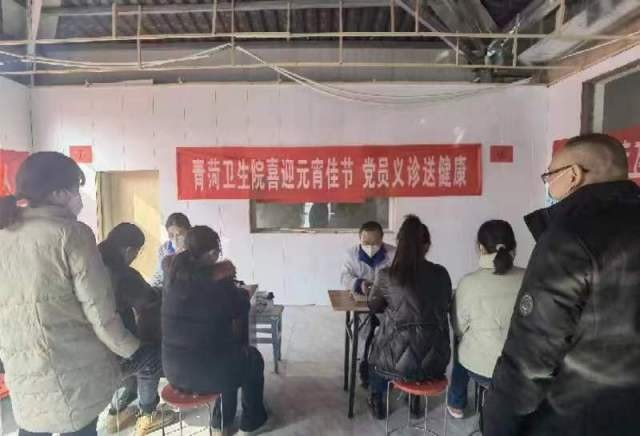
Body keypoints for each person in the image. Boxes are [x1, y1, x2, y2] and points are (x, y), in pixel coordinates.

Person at [484, 133, 640, 436]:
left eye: (549, 176)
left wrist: (496, 426)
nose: (547, 187)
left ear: (573, 175)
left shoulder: (569, 237)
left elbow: (529, 362)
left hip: (576, 418)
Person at [0, 152, 145, 436]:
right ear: (58, 193)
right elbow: (99, 312)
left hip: (23, 370)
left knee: (32, 426)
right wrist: (133, 350)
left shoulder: (4, 234)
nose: (79, 197)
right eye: (75, 188)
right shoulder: (71, 234)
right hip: (73, 371)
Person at [163, 226, 268, 436]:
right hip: (208, 374)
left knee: (225, 357)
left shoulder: (172, 278)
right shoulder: (219, 280)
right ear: (212, 253)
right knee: (251, 359)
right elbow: (240, 307)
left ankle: (221, 421)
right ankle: (252, 421)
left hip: (174, 372)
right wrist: (240, 291)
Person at [366, 215, 452, 420]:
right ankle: (415, 401)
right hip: (436, 360)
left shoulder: (387, 275)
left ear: (399, 243)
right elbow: (446, 303)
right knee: (418, 344)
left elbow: (374, 306)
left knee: (376, 354)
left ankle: (377, 400)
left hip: (395, 361)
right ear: (427, 246)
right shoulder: (441, 274)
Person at [99, 223, 178, 435]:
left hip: (94, 347)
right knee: (150, 356)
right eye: (137, 251)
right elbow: (148, 299)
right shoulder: (124, 274)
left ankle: (116, 413)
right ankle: (148, 414)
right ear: (128, 249)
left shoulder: (93, 264)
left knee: (131, 351)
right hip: (113, 349)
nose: (136, 256)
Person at [446, 220, 524, 419]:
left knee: (462, 343)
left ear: (481, 248)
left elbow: (458, 327)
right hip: (521, 368)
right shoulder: (530, 277)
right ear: (514, 247)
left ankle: (456, 402)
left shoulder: (468, 283)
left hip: (481, 369)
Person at [340, 221, 396, 388]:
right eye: (366, 243)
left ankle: (387, 368)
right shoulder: (351, 254)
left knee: (389, 333)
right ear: (360, 239)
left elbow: (399, 278)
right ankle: (365, 365)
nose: (370, 247)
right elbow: (344, 277)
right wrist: (359, 283)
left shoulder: (393, 254)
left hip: (386, 305)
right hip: (362, 304)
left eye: (375, 243)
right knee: (365, 332)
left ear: (382, 239)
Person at [149, 212, 191, 287]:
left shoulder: (195, 249)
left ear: (188, 232)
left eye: (179, 235)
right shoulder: (164, 249)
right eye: (171, 235)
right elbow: (159, 275)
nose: (175, 239)